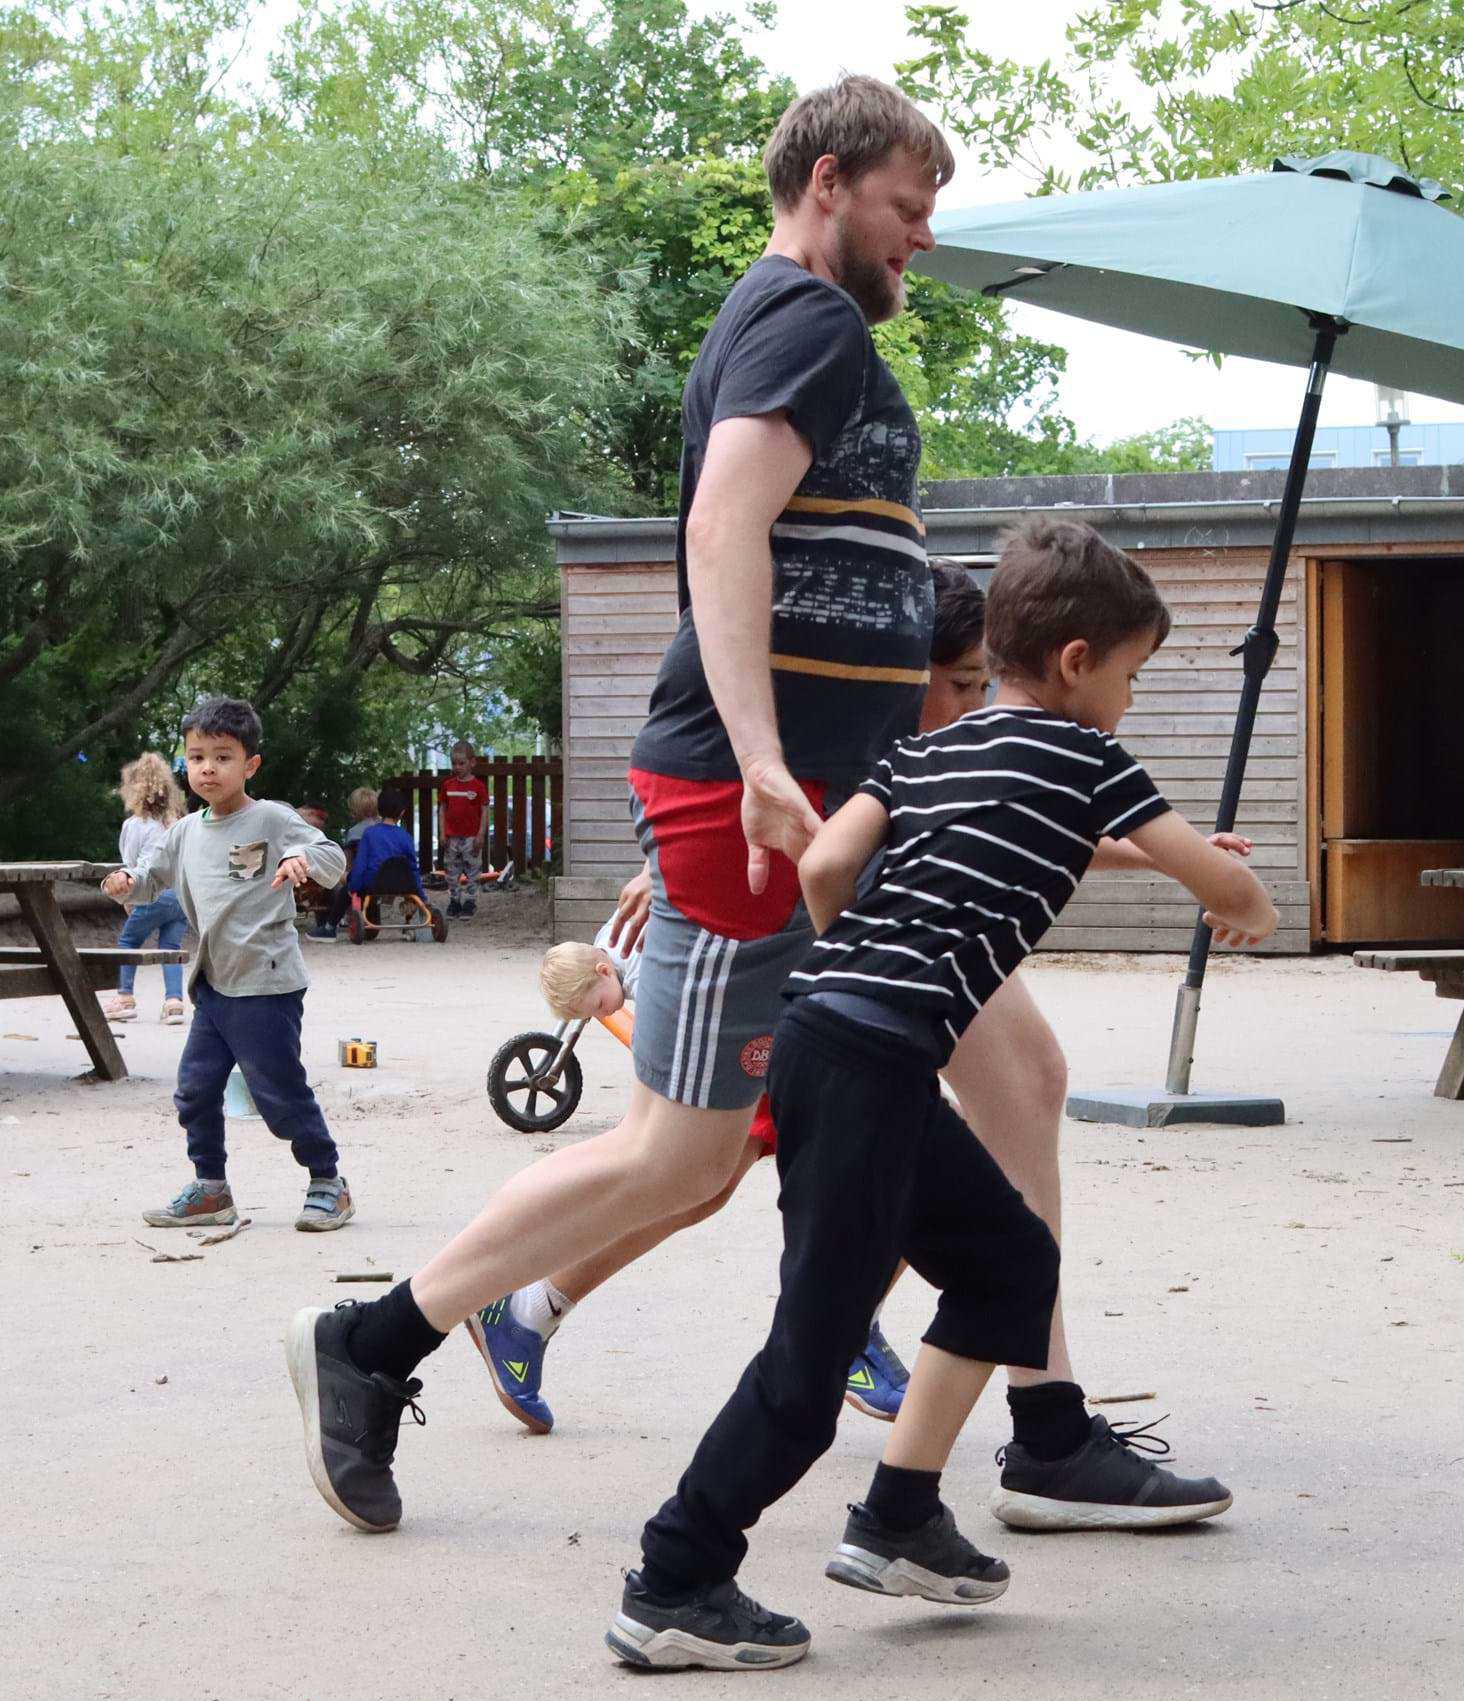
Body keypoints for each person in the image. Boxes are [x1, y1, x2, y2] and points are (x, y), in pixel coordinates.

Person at [284, 73, 960, 1539]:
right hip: (755, 795)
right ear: (831, 182)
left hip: (796, 790)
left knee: (739, 1143)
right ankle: (377, 1335)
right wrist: (762, 750)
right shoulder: (811, 317)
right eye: (909, 211)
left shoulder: (795, 318)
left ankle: (971, 1381)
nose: (920, 243)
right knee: (680, 1149)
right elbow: (723, 524)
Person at [604, 517, 1278, 1669]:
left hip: (831, 1033)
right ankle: (676, 1577)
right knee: (807, 1363)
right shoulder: (1092, 759)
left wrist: (851, 980)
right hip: (870, 1062)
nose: (1128, 695)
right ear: (1076, 662)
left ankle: (902, 1513)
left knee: (1010, 1260)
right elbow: (1215, 876)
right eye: (1131, 671)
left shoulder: (926, 752)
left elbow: (825, 866)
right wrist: (1243, 901)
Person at [471, 565, 1253, 1541]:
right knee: (706, 1169)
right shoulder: (869, 730)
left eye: (982, 682)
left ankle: (1017, 1424)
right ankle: (518, 1315)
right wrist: (677, 872)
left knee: (1005, 1099)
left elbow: (1023, 822)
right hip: (848, 962)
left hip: (882, 965)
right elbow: (784, 811)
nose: (974, 703)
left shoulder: (952, 740)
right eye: (960, 684)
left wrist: (1179, 855)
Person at [102, 696, 354, 1231]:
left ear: (250, 765)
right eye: (196, 758)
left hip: (265, 984)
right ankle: (211, 1190)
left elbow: (332, 857)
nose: (208, 768)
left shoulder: (272, 819)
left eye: (222, 756)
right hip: (213, 986)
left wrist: (300, 858)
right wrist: (126, 883)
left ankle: (328, 1181)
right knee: (194, 1090)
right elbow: (151, 878)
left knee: (278, 1094)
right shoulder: (185, 832)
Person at [103, 753, 189, 1025]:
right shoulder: (175, 823)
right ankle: (174, 1002)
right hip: (179, 896)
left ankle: (124, 996)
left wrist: (128, 897)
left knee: (128, 942)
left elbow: (131, 865)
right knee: (170, 947)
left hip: (152, 892)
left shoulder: (134, 825)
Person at [343, 787, 430, 911]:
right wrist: (420, 894)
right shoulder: (406, 836)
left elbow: (360, 864)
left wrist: (354, 887)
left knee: (346, 884)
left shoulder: (369, 833)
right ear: (402, 813)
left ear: (379, 809)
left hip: (374, 884)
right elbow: (412, 868)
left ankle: (330, 925)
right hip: (401, 884)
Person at [312, 788, 381, 940]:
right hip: (386, 876)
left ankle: (329, 926)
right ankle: (370, 920)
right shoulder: (384, 829)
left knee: (338, 884)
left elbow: (347, 862)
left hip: (364, 877)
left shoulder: (355, 833)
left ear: (355, 811)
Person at [439, 742, 489, 918]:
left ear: (472, 763)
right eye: (454, 763)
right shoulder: (448, 786)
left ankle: (470, 901)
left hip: (471, 837)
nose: (457, 767)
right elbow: (442, 809)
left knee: (473, 870)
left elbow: (484, 811)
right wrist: (442, 832)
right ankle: (454, 901)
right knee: (451, 871)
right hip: (452, 837)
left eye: (461, 763)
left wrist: (481, 834)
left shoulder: (478, 787)